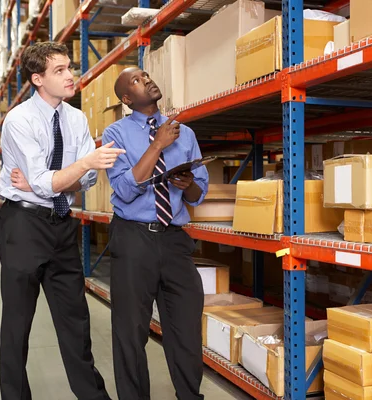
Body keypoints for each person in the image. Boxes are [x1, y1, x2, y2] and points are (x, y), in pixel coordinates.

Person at [0, 41, 124, 400]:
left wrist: (59, 178)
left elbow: (85, 182)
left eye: (69, 67)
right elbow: (51, 179)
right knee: (17, 324)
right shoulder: (19, 120)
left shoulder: (76, 118)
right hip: (23, 226)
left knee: (75, 322)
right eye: (59, 71)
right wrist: (75, 168)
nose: (71, 76)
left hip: (63, 225)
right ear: (38, 79)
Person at [103, 67, 209, 400]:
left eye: (146, 75)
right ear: (126, 98)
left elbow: (198, 194)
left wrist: (188, 184)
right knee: (130, 332)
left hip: (174, 239)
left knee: (186, 330)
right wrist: (157, 146)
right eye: (136, 80)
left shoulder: (185, 133)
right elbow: (123, 189)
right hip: (134, 239)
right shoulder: (115, 134)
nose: (146, 80)